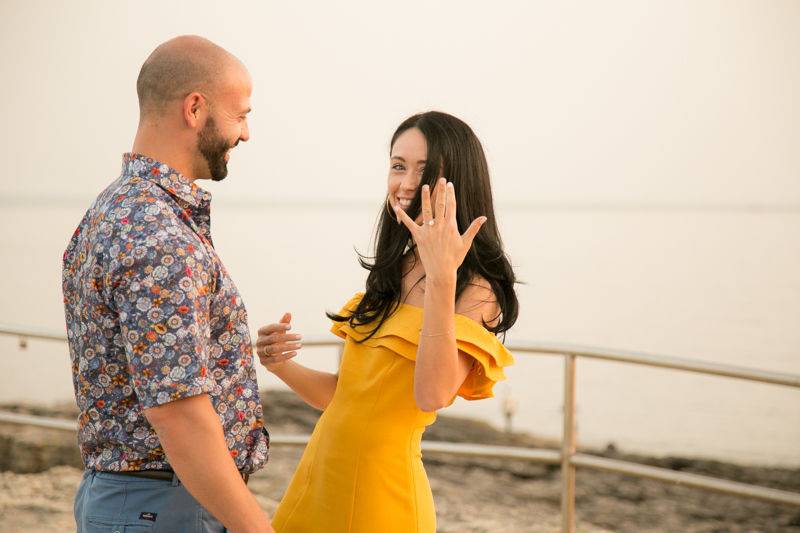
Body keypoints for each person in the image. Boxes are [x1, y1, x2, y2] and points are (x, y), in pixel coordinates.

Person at [257, 111, 519, 532]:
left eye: (425, 169)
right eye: (398, 166)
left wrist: (441, 277)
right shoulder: (391, 271)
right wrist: (280, 364)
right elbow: (346, 398)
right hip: (319, 480)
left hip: (384, 500)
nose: (407, 182)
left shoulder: (476, 290)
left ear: (460, 182)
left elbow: (431, 395)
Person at [62, 35, 274, 533]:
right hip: (161, 506)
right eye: (241, 114)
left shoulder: (111, 210)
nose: (246, 134)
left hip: (140, 499)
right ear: (195, 109)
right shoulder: (156, 232)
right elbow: (179, 413)